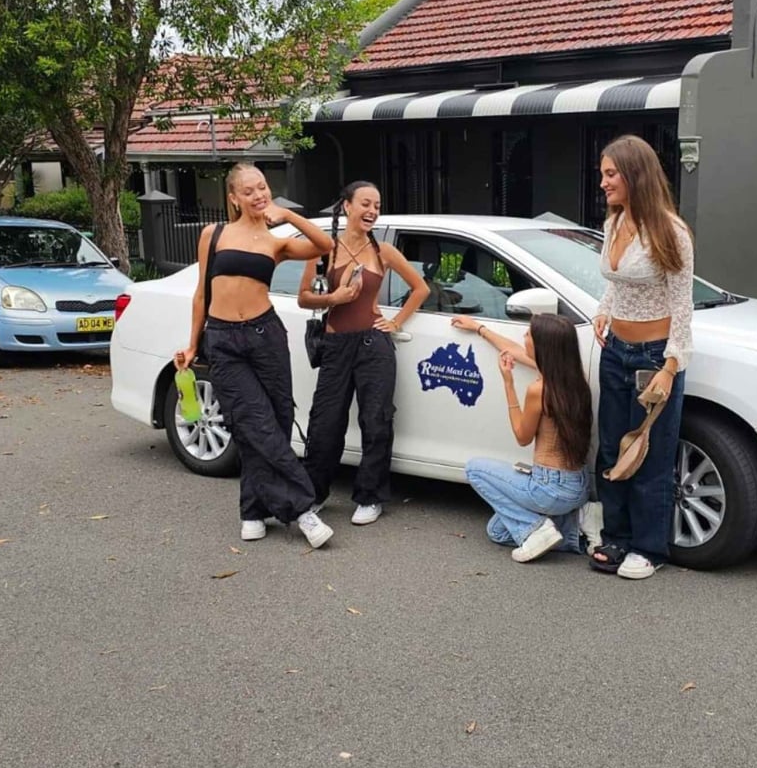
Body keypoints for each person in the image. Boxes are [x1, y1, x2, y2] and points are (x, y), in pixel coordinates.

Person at [173, 163, 336, 548]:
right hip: (224, 339)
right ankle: (302, 509)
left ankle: (252, 510)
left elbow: (325, 245)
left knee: (276, 422)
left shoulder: (275, 240)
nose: (259, 195)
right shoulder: (213, 235)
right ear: (233, 198)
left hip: (266, 336)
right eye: (249, 191)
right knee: (253, 422)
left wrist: (291, 215)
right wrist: (193, 343)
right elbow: (201, 294)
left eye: (262, 187)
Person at [589, 134, 695, 580]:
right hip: (615, 349)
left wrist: (671, 367)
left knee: (651, 451)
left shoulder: (670, 231)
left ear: (635, 174)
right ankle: (615, 537)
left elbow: (682, 304)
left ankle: (649, 548)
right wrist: (604, 311)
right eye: (602, 174)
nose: (603, 183)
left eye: (611, 174)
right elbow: (617, 280)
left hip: (655, 355)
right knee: (612, 446)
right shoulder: (615, 223)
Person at [297, 181, 430, 525]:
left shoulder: (383, 250)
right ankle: (315, 494)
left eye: (377, 206)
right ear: (347, 207)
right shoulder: (325, 249)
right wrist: (333, 299)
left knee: (376, 420)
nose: (372, 211)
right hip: (335, 345)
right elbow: (304, 298)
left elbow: (421, 288)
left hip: (374, 345)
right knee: (325, 422)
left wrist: (396, 322)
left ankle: (370, 496)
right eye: (365, 204)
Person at [452, 312, 594, 563]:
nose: (524, 336)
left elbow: (522, 437)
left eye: (529, 334)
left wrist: (508, 384)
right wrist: (479, 328)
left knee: (475, 469)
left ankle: (537, 529)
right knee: (496, 532)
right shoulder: (573, 378)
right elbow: (514, 349)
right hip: (577, 486)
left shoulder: (539, 389)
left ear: (542, 347)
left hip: (548, 489)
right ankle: (576, 527)